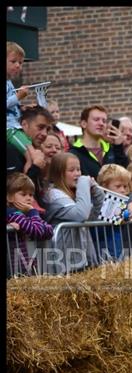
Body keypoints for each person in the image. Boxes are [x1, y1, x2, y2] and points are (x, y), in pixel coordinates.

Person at [43, 152, 105, 273]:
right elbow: (81, 215)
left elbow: (91, 217)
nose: (77, 174)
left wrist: (96, 191)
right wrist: (83, 183)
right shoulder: (54, 196)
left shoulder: (75, 195)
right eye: (71, 170)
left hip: (82, 260)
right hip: (65, 264)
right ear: (59, 174)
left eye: (78, 169)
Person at [6, 106, 53, 211]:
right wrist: (35, 167)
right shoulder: (10, 150)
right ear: (24, 125)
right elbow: (14, 191)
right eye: (40, 127)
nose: (45, 134)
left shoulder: (37, 153)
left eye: (48, 129)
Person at [6, 172, 53, 276]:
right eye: (23, 194)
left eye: (31, 195)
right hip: (15, 269)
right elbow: (39, 231)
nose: (29, 198)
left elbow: (49, 231)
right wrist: (33, 212)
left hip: (25, 266)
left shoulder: (26, 215)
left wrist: (33, 215)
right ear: (9, 197)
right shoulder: (14, 215)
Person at [69, 104, 130, 178]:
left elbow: (125, 175)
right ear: (84, 124)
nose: (101, 123)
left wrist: (118, 147)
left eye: (104, 121)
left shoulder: (111, 149)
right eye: (96, 120)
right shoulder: (73, 153)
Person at [6, 41, 38, 173]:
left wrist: (22, 107)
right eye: (13, 61)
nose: (18, 66)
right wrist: (18, 96)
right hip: (9, 128)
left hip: (16, 126)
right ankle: (26, 175)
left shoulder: (9, 82)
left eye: (20, 62)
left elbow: (11, 105)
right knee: (30, 154)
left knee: (32, 149)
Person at [94, 163, 132, 260]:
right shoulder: (98, 203)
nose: (123, 190)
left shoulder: (120, 203)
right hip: (102, 250)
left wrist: (127, 216)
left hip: (116, 249)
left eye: (125, 186)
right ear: (104, 186)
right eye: (118, 186)